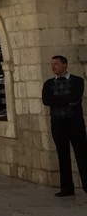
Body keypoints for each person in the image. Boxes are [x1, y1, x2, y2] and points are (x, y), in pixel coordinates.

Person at [42, 55, 87, 196]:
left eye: (56, 64)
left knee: (82, 155)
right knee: (63, 155)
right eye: (51, 64)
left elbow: (75, 97)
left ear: (65, 65)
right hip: (58, 123)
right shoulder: (48, 84)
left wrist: (57, 100)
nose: (53, 66)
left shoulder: (77, 81)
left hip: (75, 123)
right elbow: (46, 101)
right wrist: (66, 101)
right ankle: (67, 188)